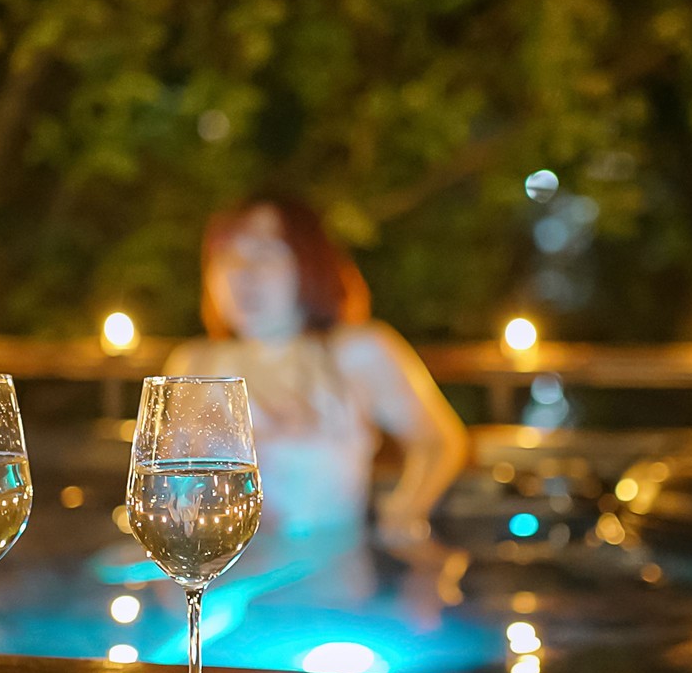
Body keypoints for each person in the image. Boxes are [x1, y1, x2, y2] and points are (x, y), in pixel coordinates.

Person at [162, 196, 470, 555]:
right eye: (229, 256)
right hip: (229, 584)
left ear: (309, 262)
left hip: (333, 583)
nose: (243, 272)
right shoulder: (194, 365)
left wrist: (405, 512)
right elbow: (167, 492)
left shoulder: (358, 350)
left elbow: (439, 441)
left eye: (266, 252)